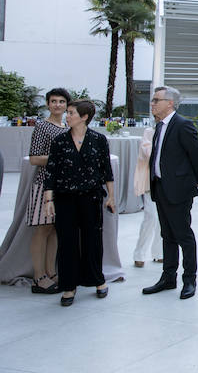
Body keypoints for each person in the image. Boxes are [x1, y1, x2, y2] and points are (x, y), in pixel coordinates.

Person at [43, 100, 114, 306]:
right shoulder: (59, 141)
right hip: (65, 198)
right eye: (68, 113)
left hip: (91, 197)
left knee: (93, 239)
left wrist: (111, 196)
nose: (67, 116)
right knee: (67, 242)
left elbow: (106, 170)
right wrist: (49, 199)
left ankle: (97, 280)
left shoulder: (99, 140)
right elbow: (51, 172)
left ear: (84, 117)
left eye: (71, 113)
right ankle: (69, 286)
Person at [142, 86, 198, 301]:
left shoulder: (183, 125)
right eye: (152, 100)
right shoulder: (159, 127)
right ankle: (168, 278)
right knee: (166, 235)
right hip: (160, 188)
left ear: (170, 103)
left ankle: (189, 280)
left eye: (156, 100)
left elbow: (197, 155)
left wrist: (195, 180)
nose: (152, 104)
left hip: (178, 190)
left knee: (183, 235)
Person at [27, 88, 70, 294]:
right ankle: (38, 276)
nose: (58, 105)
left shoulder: (67, 126)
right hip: (44, 185)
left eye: (62, 101)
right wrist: (61, 156)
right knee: (42, 229)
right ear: (47, 104)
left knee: (54, 229)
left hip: (62, 185)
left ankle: (51, 272)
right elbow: (34, 158)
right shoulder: (42, 126)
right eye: (54, 101)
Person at [132, 126, 162, 268]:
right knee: (150, 216)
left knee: (163, 219)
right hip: (150, 181)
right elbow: (147, 153)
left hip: (167, 182)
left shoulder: (175, 129)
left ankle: (159, 253)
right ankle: (139, 253)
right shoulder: (150, 131)